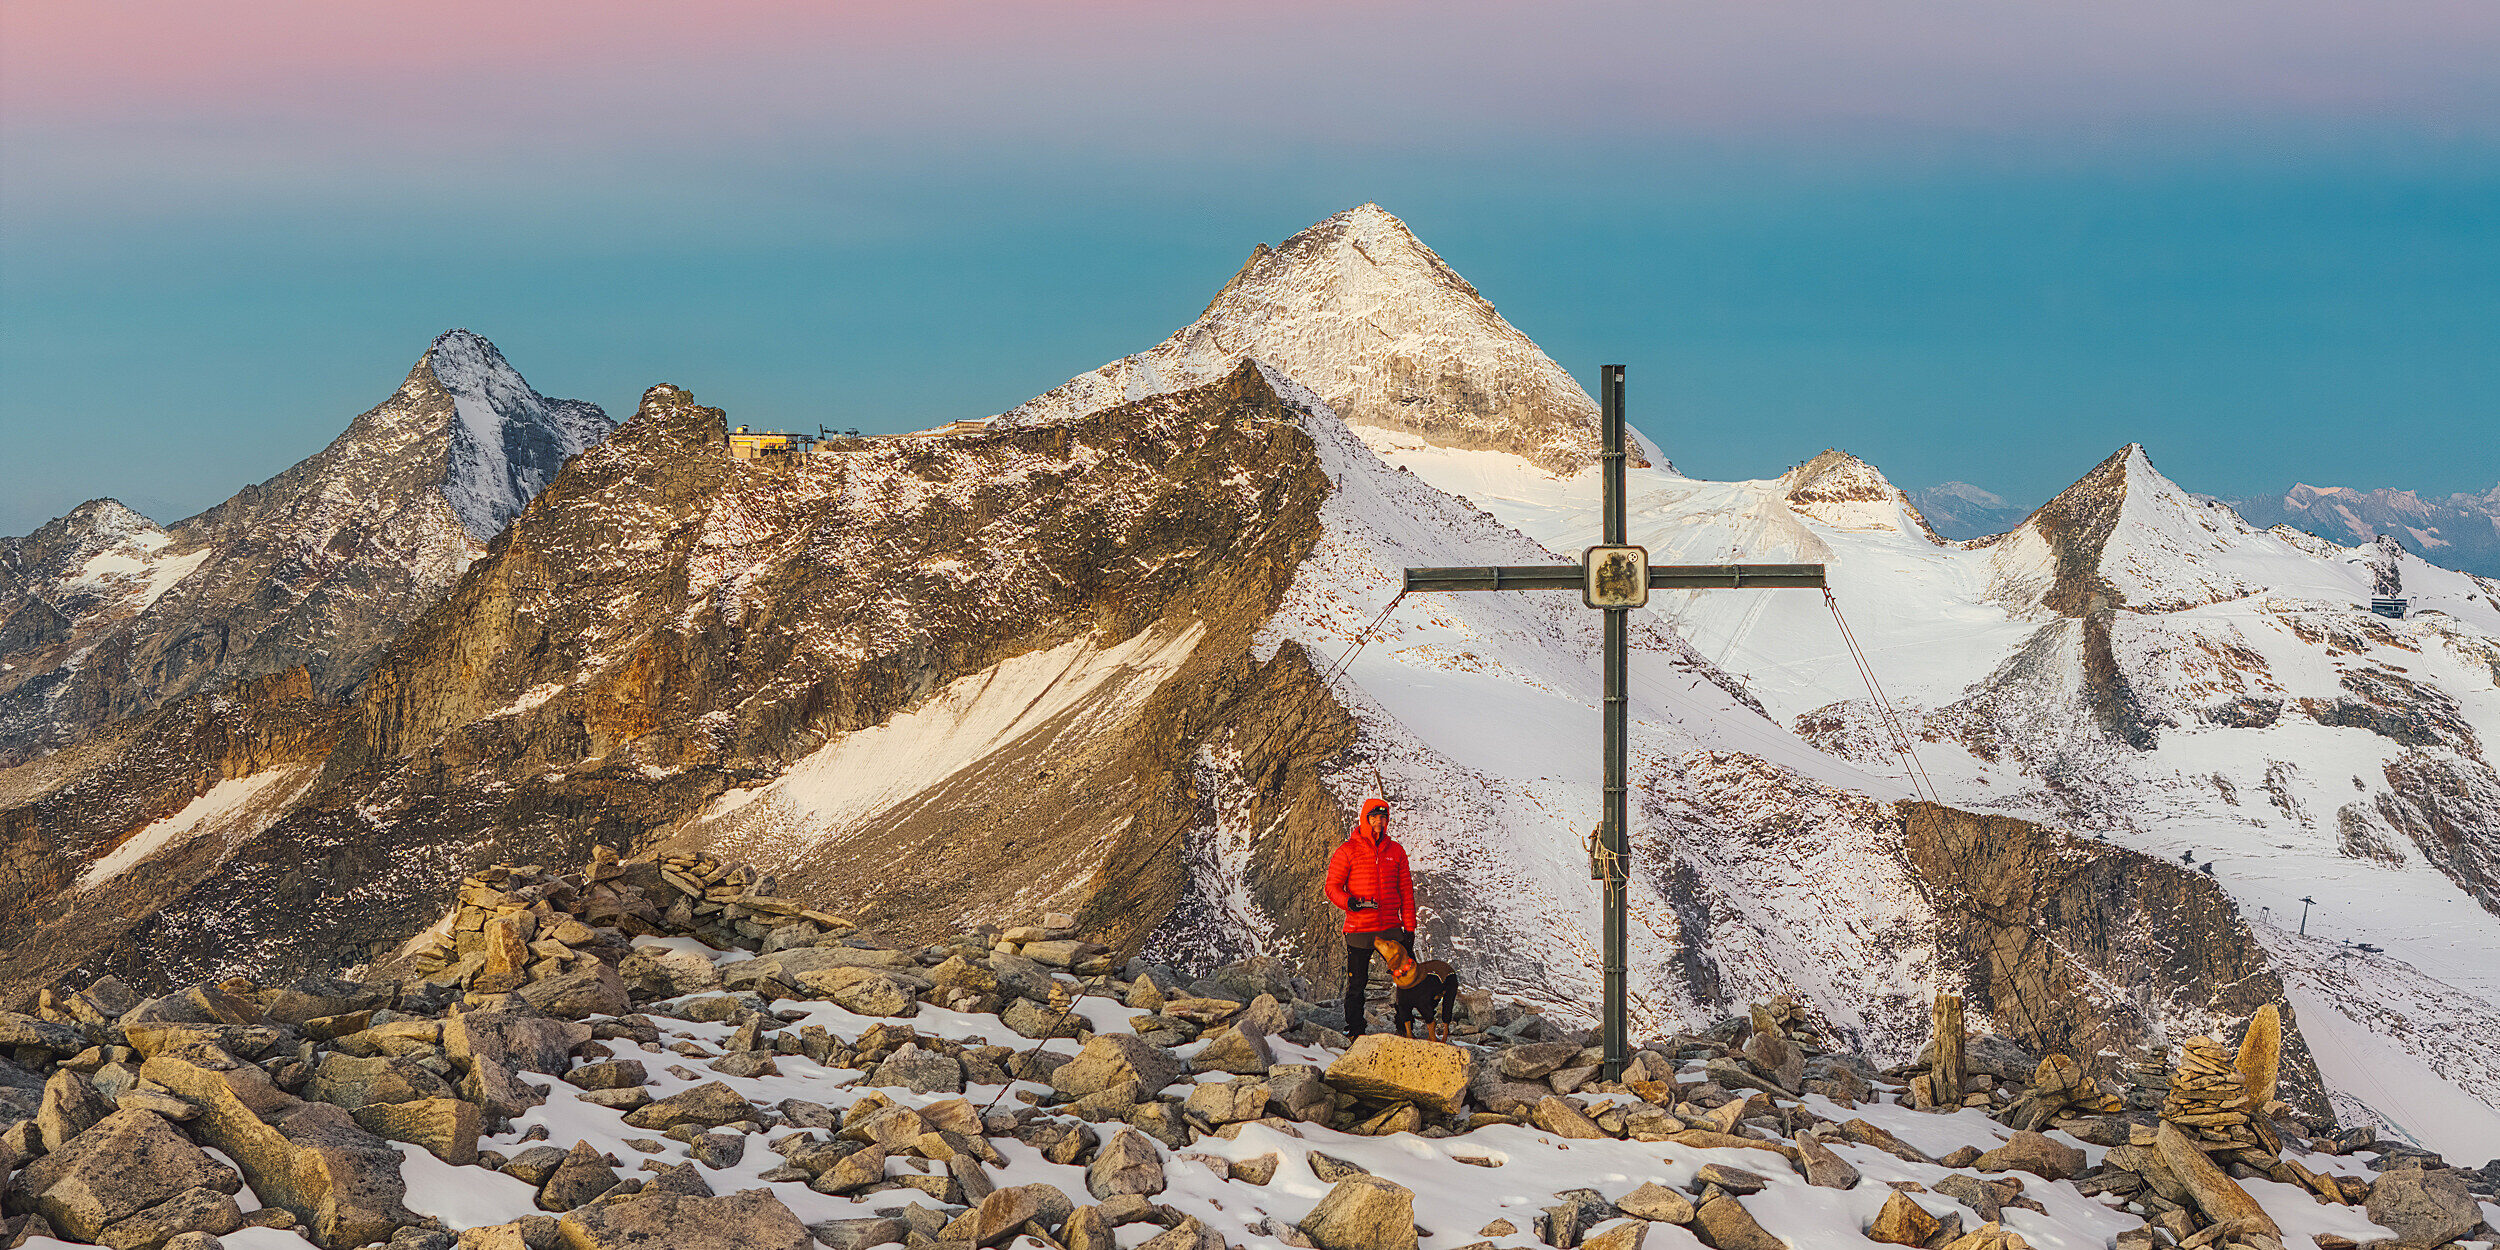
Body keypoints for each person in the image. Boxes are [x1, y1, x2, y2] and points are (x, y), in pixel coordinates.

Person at [1325, 796, 1414, 1038]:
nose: (1379, 821)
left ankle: (1405, 1027)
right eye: (1374, 817)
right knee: (1357, 985)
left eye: (1383, 817)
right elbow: (1332, 887)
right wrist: (1350, 902)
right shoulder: (1347, 851)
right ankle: (1355, 1030)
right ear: (1365, 819)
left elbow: (1406, 892)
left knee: (1407, 979)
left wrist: (1410, 928)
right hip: (1359, 927)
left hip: (1391, 927)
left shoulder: (1396, 852)